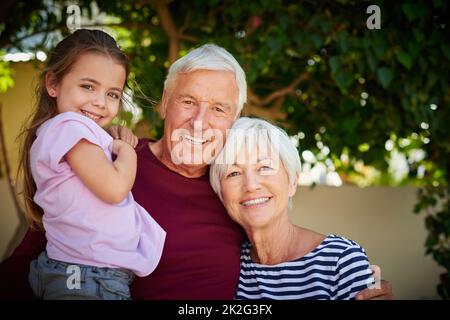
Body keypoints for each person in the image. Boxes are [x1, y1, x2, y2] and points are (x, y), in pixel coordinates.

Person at [0, 43, 392, 300]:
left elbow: (284, 258)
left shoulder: (234, 186)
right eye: (188, 101)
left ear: (234, 119)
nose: (200, 121)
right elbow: (30, 261)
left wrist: (365, 288)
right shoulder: (112, 161)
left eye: (219, 109)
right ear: (165, 104)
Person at [16, 29, 165, 299]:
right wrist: (127, 152)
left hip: (84, 275)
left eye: (113, 94)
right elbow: (115, 188)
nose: (100, 102)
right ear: (53, 84)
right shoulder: (70, 127)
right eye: (88, 86)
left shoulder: (68, 131)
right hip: (87, 278)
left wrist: (114, 141)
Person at [210, 117, 376, 299]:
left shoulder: (341, 260)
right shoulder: (226, 266)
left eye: (265, 167)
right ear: (220, 193)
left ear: (292, 182)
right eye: (233, 173)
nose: (251, 185)